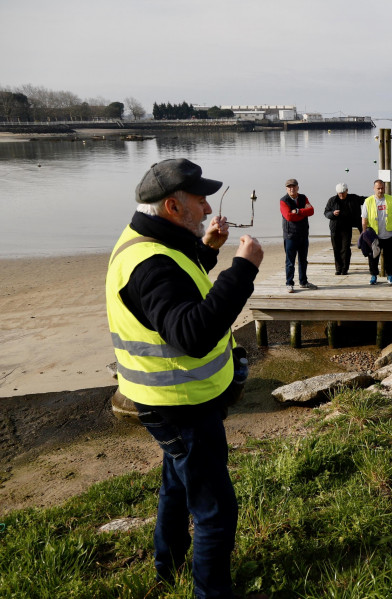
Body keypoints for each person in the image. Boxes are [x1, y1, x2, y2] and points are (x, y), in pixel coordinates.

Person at [107, 158, 263, 597]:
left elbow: (181, 284)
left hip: (168, 396)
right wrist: (242, 270)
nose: (208, 206)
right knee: (215, 511)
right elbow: (192, 333)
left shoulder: (150, 238)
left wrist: (209, 251)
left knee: (176, 486)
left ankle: (168, 567)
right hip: (180, 404)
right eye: (200, 200)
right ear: (174, 206)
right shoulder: (150, 264)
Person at [361, 179, 392, 285]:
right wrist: (365, 234)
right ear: (374, 189)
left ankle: (390, 275)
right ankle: (373, 276)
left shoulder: (391, 200)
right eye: (378, 188)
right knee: (373, 257)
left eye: (382, 188)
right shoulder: (368, 201)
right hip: (374, 236)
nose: (380, 190)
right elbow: (364, 219)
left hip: (389, 235)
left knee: (390, 257)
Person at [281, 178, 315, 292]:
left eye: (294, 186)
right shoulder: (283, 201)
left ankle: (303, 282)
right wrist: (303, 213)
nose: (292, 188)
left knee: (303, 260)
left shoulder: (303, 197)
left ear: (297, 187)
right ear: (286, 189)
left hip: (303, 234)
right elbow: (289, 216)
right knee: (290, 262)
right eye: (289, 187)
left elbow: (311, 210)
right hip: (290, 235)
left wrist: (299, 211)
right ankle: (289, 283)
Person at [324, 182, 363, 275]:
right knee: (336, 248)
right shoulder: (332, 200)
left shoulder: (353, 198)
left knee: (345, 249)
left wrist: (377, 197)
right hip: (335, 228)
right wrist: (333, 213)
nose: (341, 195)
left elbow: (366, 200)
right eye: (339, 193)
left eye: (343, 193)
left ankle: (345, 268)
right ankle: (338, 268)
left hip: (347, 228)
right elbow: (326, 213)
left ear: (347, 191)